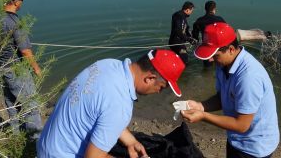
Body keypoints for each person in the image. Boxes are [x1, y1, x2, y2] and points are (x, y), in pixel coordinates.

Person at [38, 49, 186, 158]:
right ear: (150, 78)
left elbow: (102, 113)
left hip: (46, 146)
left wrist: (131, 141)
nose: (159, 92)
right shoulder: (120, 105)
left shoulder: (107, 65)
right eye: (161, 87)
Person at [181, 22, 279, 158]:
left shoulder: (248, 77)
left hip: (255, 147)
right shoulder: (223, 64)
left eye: (215, 55)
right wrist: (200, 106)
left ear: (231, 49)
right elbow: (223, 97)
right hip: (236, 139)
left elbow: (241, 125)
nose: (210, 60)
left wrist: (202, 116)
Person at [0, 0, 42, 137]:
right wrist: (36, 68)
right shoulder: (15, 22)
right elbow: (25, 50)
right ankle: (35, 140)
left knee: (11, 102)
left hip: (1, 67)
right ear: (16, 2)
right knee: (31, 104)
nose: (22, 2)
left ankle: (16, 135)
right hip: (17, 69)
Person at [192, 0, 226, 67]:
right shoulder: (219, 19)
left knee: (207, 67)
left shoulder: (199, 21)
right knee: (219, 67)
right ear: (214, 9)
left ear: (205, 9)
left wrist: (196, 42)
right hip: (218, 47)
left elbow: (195, 36)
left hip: (206, 47)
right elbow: (226, 32)